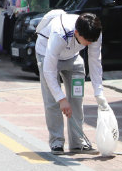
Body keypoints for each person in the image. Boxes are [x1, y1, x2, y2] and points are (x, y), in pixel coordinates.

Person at [35, 12, 108, 155]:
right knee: (53, 101)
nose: (89, 44)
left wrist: (99, 92)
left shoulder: (94, 34)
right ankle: (56, 142)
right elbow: (49, 71)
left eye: (91, 41)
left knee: (76, 98)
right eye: (86, 40)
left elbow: (95, 61)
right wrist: (61, 98)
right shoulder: (59, 33)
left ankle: (77, 142)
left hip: (73, 58)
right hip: (46, 54)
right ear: (76, 32)